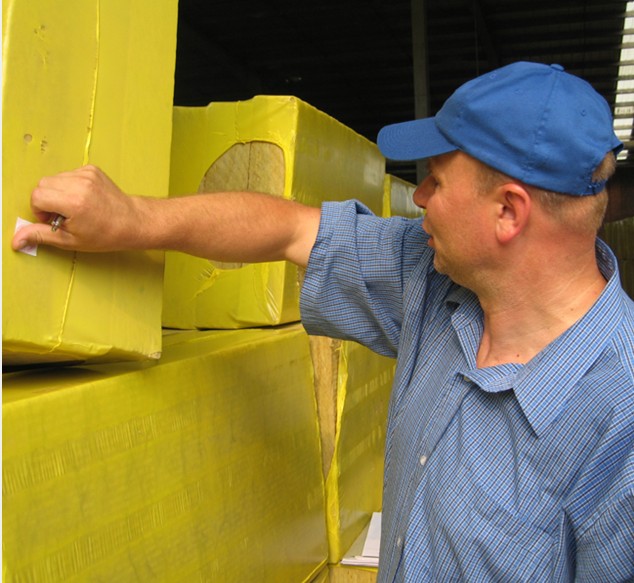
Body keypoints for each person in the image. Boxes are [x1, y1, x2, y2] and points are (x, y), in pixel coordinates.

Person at [12, 62, 634, 581]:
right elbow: (288, 228)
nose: (416, 197)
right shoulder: (431, 280)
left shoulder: (619, 418)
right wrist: (132, 220)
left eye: (436, 180)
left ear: (508, 213)